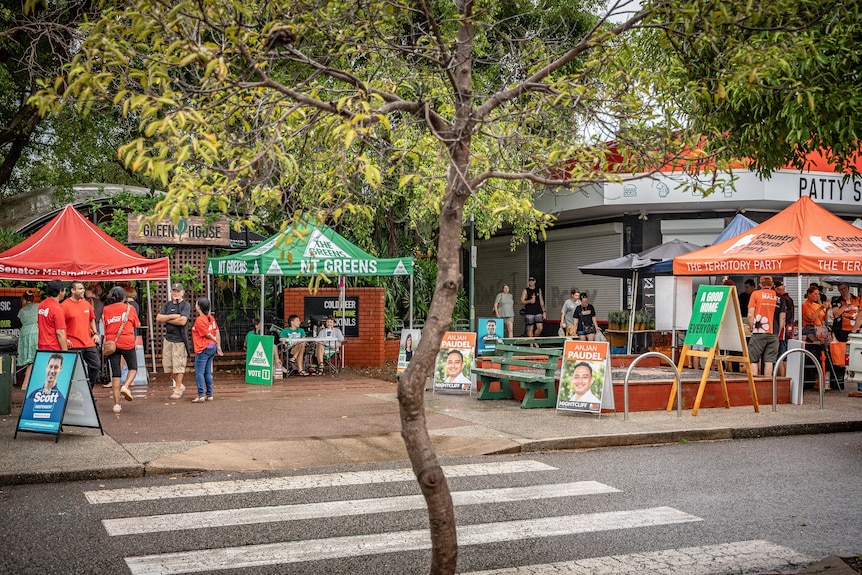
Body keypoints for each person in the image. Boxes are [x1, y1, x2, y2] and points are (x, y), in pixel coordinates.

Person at [103, 286, 140, 414]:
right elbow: (137, 324)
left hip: (112, 343)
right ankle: (126, 386)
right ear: (124, 297)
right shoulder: (130, 308)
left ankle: (117, 405)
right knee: (133, 367)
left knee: (115, 373)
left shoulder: (106, 309)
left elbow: (106, 325)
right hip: (127, 342)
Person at [61, 281, 100, 389]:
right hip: (73, 343)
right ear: (72, 291)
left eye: (83, 288)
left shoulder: (86, 303)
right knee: (71, 371)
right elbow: (60, 325)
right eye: (80, 289)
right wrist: (66, 339)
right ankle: (70, 393)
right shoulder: (64, 305)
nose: (83, 291)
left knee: (96, 366)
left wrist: (96, 333)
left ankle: (88, 390)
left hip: (88, 342)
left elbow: (92, 319)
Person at [157, 283, 191, 400]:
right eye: (174, 291)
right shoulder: (167, 305)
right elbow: (159, 318)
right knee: (168, 365)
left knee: (179, 365)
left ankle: (177, 388)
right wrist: (172, 317)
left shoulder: (186, 305)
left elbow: (182, 321)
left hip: (180, 340)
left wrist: (167, 318)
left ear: (182, 292)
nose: (176, 293)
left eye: (178, 291)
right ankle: (180, 384)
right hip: (168, 339)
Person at [747, 275, 784, 377]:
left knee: (753, 359)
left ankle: (755, 385)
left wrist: (751, 327)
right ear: (772, 285)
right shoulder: (779, 298)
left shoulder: (755, 294)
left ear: (760, 284)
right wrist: (778, 331)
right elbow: (782, 317)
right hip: (774, 333)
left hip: (759, 331)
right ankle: (768, 385)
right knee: (769, 360)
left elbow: (750, 315)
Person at [191, 297, 223, 402]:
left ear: (199, 307)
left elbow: (208, 334)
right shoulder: (211, 318)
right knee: (207, 372)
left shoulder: (200, 320)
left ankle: (201, 395)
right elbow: (217, 331)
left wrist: (215, 340)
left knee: (199, 372)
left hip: (203, 347)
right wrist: (218, 345)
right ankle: (209, 394)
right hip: (211, 346)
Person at [21, 353, 66, 424]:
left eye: (56, 367)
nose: (52, 371)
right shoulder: (33, 394)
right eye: (50, 366)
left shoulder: (60, 398)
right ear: (46, 366)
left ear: (61, 368)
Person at [37, 279, 68, 352]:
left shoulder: (42, 305)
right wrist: (65, 350)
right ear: (60, 291)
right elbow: (60, 332)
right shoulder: (57, 308)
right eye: (64, 291)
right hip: (54, 347)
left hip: (42, 345)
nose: (65, 293)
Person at [17, 290, 38, 390]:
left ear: (24, 300)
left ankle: (25, 383)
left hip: (25, 333)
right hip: (36, 332)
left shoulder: (22, 311)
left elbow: (21, 321)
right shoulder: (38, 306)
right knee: (36, 358)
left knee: (30, 359)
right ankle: (28, 383)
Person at [773, 280, 794, 377]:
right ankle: (784, 378)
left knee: (780, 356)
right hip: (787, 328)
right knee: (784, 356)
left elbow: (783, 316)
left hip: (781, 330)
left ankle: (781, 379)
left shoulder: (782, 299)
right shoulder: (789, 299)